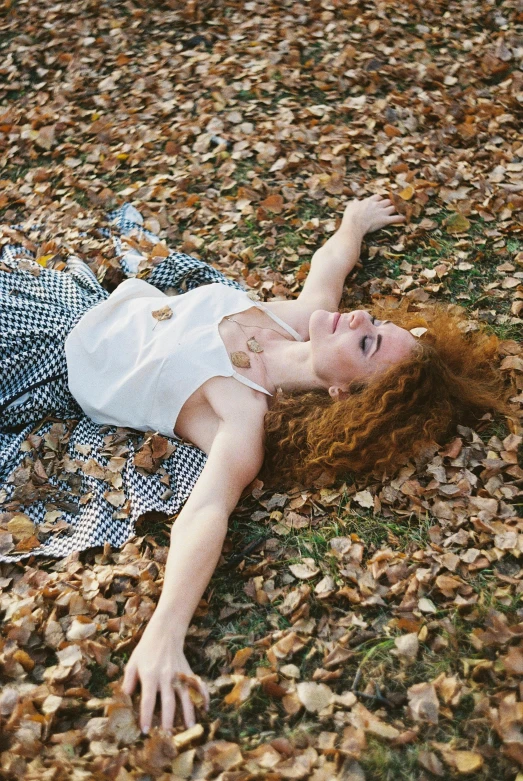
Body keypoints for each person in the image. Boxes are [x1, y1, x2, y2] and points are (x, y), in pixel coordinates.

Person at [0, 195, 507, 734]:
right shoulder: (291, 321)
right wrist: (354, 221)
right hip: (60, 300)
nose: (358, 315)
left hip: (34, 360)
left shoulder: (240, 415)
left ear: (342, 394)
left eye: (366, 341)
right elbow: (329, 266)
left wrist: (164, 633)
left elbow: (207, 512)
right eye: (376, 321)